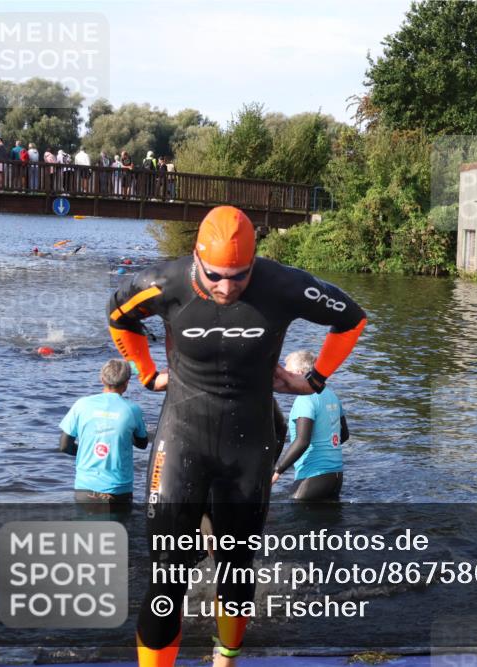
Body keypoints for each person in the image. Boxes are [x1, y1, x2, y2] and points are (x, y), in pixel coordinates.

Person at [106, 205, 366, 666]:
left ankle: (226, 658)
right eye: (215, 276)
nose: (227, 287)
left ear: (253, 262)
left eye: (239, 277)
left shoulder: (282, 285)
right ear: (196, 259)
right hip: (182, 437)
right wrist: (144, 373)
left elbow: (351, 318)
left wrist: (315, 379)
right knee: (166, 575)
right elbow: (118, 315)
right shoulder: (165, 282)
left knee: (237, 566)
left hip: (248, 446)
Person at [59, 359, 149, 515]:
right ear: (126, 383)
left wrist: (86, 452)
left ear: (102, 379)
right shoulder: (132, 409)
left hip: (85, 488)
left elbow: (64, 446)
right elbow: (142, 443)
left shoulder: (81, 405)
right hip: (118, 490)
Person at [272, 350, 348, 500]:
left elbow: (302, 441)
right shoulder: (331, 395)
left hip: (313, 477)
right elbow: (344, 435)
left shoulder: (304, 399)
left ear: (299, 373)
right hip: (336, 477)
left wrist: (277, 471)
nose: (281, 378)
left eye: (287, 372)